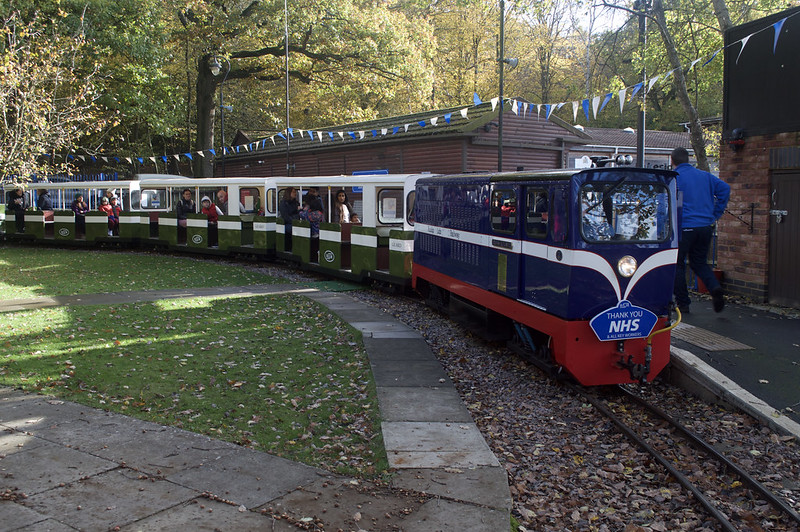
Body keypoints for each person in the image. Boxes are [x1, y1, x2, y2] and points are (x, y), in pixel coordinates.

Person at [671, 147, 730, 314]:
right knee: (699, 262)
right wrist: (715, 214)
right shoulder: (705, 176)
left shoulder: (675, 178)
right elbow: (725, 189)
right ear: (688, 159)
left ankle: (683, 303)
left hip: (684, 227)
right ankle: (714, 287)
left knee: (678, 264)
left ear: (672, 160)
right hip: (705, 226)